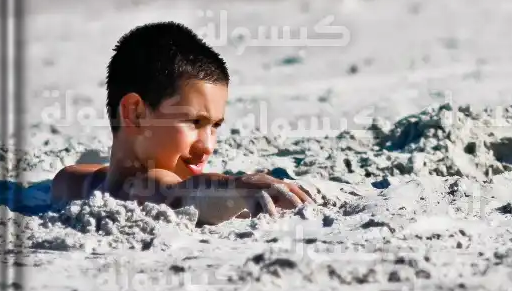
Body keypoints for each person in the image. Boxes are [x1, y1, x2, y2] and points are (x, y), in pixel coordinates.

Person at [51, 21, 315, 224]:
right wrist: (237, 186)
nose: (208, 146)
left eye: (215, 126)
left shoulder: (73, 181)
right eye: (194, 122)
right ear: (135, 113)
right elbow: (182, 194)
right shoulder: (148, 183)